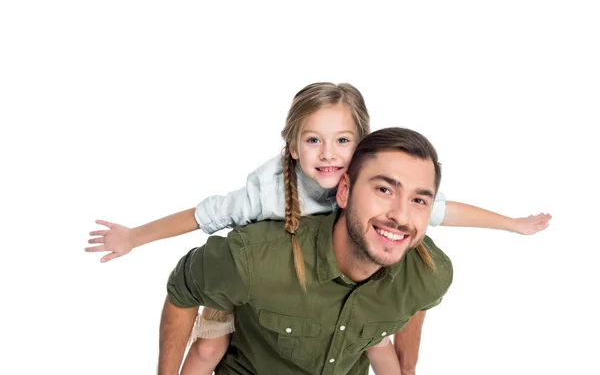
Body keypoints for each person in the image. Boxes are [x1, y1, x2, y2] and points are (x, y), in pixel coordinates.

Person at [86, 83, 551, 374]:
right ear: (292, 147)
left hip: (339, 310)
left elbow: (447, 210)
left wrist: (512, 225)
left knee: (376, 344)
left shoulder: (389, 193)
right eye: (313, 141)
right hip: (247, 287)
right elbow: (202, 216)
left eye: (343, 141)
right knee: (208, 352)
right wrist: (133, 237)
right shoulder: (266, 197)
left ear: (361, 146)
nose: (328, 155)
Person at [160, 126, 454, 374]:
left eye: (419, 201)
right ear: (344, 191)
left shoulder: (430, 273)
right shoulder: (253, 258)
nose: (401, 216)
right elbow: (183, 291)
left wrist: (409, 365)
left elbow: (418, 302)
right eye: (384, 190)